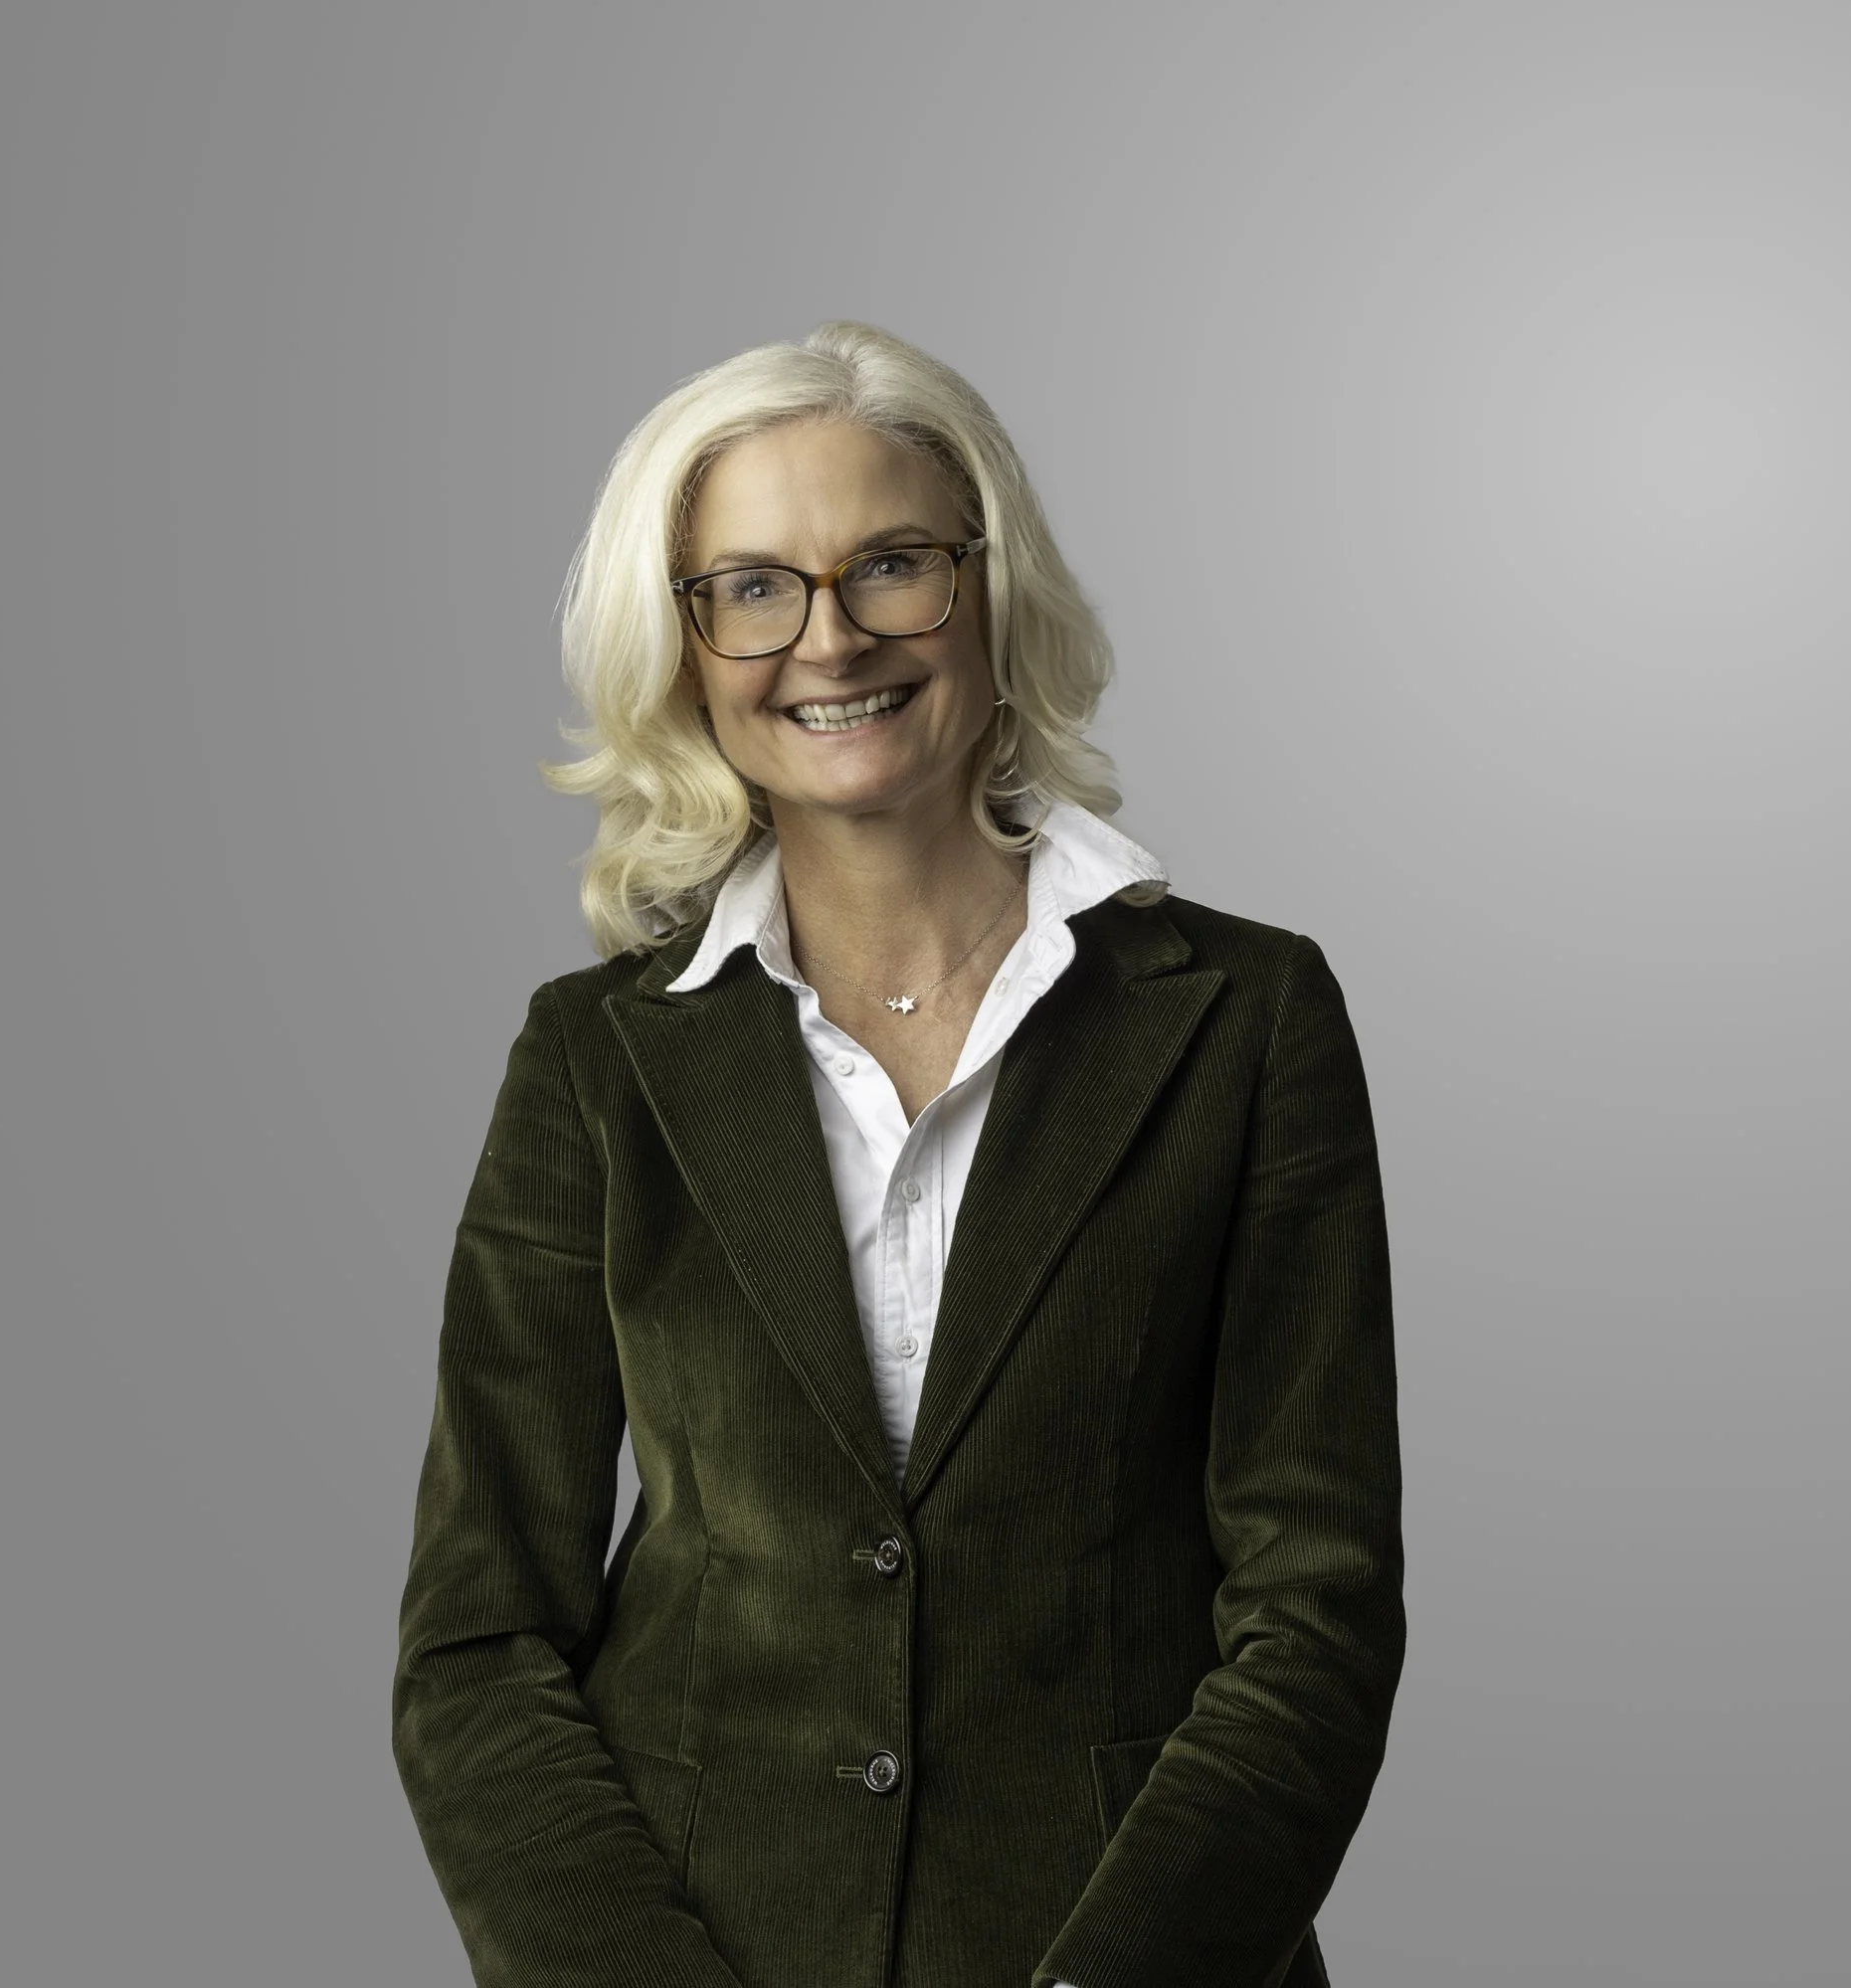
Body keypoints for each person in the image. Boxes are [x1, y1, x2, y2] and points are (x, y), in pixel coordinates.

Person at [391, 320, 1404, 1988]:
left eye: (892, 565)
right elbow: (478, 1640)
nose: (828, 635)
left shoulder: (1247, 1018)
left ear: (994, 596)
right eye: (755, 586)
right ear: (691, 643)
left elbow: (1319, 1603)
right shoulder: (596, 1062)